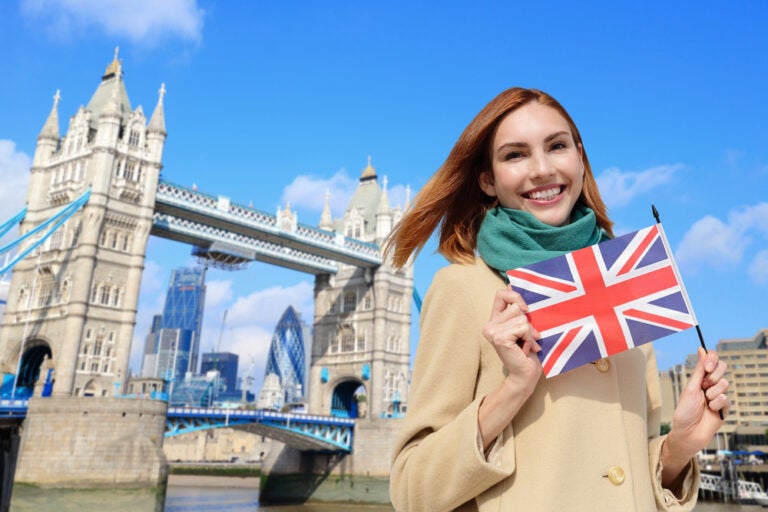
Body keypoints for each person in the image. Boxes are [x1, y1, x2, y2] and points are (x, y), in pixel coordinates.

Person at [386, 87, 729, 512]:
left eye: (557, 146)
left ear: (580, 158)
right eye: (516, 155)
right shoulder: (462, 288)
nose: (543, 169)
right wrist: (512, 389)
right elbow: (410, 492)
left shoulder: (628, 284)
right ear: (487, 179)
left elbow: (628, 472)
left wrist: (680, 445)